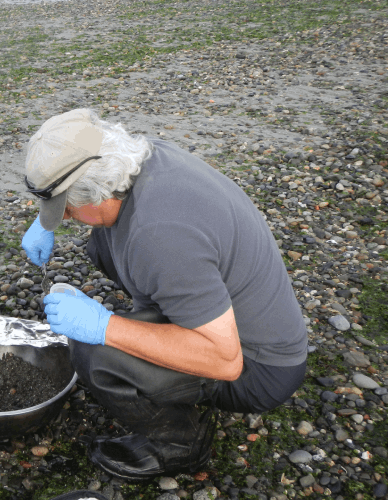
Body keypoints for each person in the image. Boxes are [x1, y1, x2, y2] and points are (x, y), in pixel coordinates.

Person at [21, 109, 307, 481]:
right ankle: (170, 320)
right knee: (104, 245)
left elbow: (226, 362)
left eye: (67, 211)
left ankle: (180, 446)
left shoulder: (158, 236)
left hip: (258, 367)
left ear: (96, 192)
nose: (66, 218)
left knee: (93, 353)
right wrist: (45, 222)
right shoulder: (142, 157)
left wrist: (106, 327)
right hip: (241, 317)